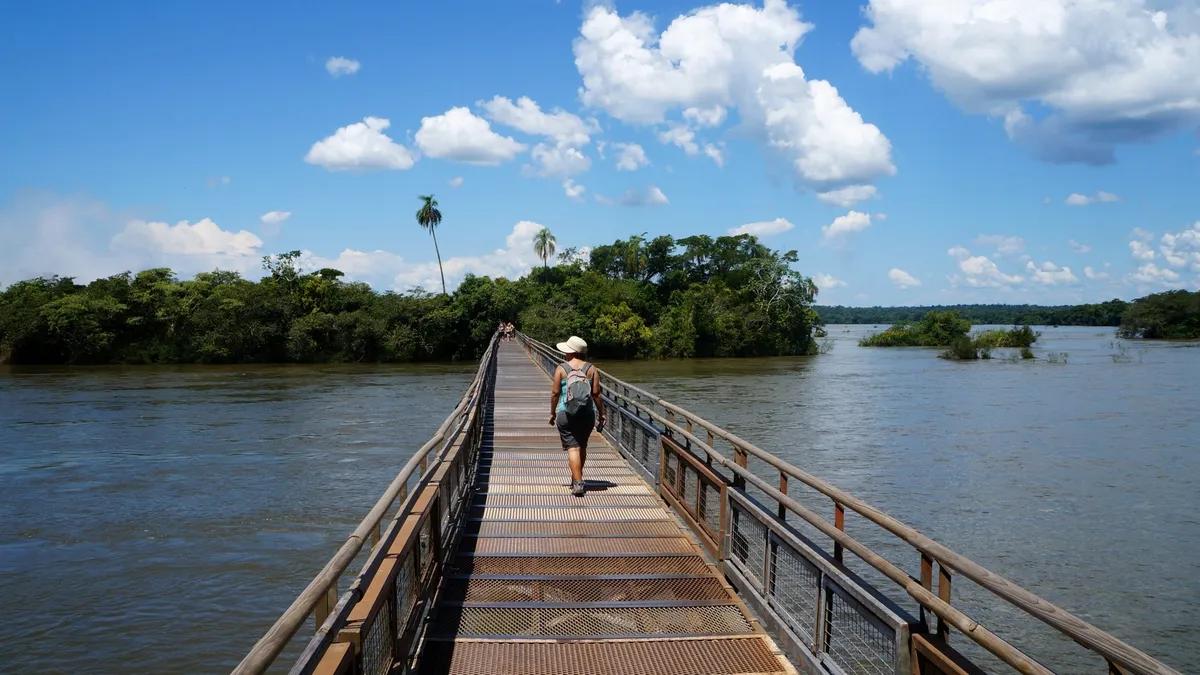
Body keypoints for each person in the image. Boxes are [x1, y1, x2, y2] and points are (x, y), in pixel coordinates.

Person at [548, 335, 606, 497]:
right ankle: (577, 478)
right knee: (582, 446)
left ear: (571, 352)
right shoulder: (591, 369)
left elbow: (555, 393)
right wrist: (602, 414)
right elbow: (596, 394)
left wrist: (552, 413)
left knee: (572, 447)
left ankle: (578, 482)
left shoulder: (561, 368)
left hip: (565, 413)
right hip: (587, 415)